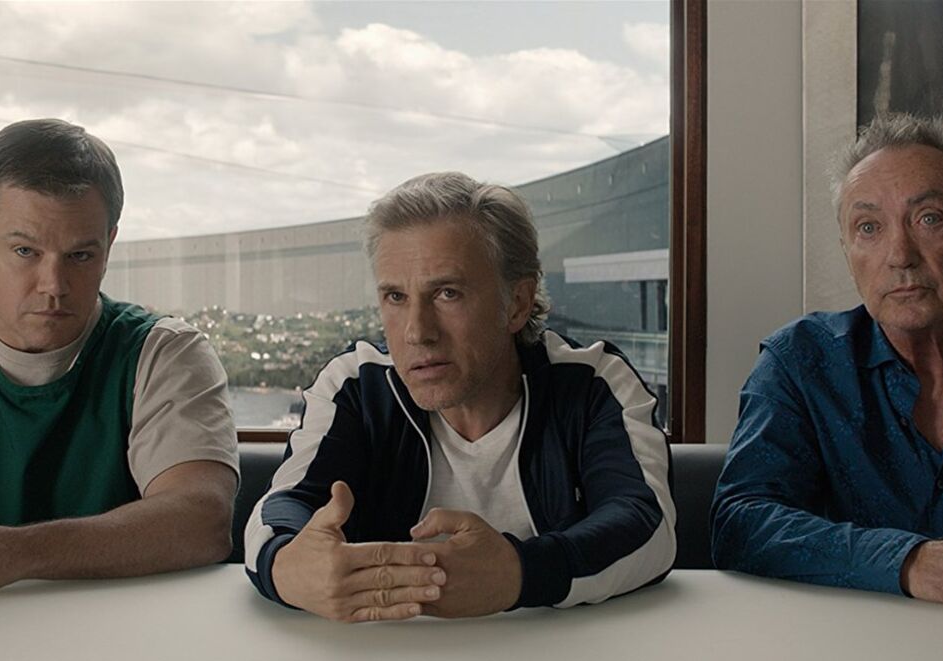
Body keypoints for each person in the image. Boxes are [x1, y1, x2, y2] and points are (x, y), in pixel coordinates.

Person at [244, 172, 675, 622]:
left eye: (447, 293)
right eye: (395, 296)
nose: (417, 332)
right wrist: (289, 567)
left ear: (517, 302)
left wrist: (517, 573)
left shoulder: (594, 383)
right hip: (385, 652)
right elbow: (280, 508)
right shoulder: (356, 386)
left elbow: (648, 527)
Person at [711, 113, 943, 613]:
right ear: (847, 254)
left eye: (929, 218)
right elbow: (739, 523)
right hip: (857, 641)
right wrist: (912, 563)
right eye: (869, 227)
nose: (900, 255)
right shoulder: (799, 362)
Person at [0, 119, 239, 595]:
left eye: (80, 256)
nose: (53, 285)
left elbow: (202, 521)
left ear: (108, 247)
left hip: (123, 630)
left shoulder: (165, 353)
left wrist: (13, 552)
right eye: (25, 251)